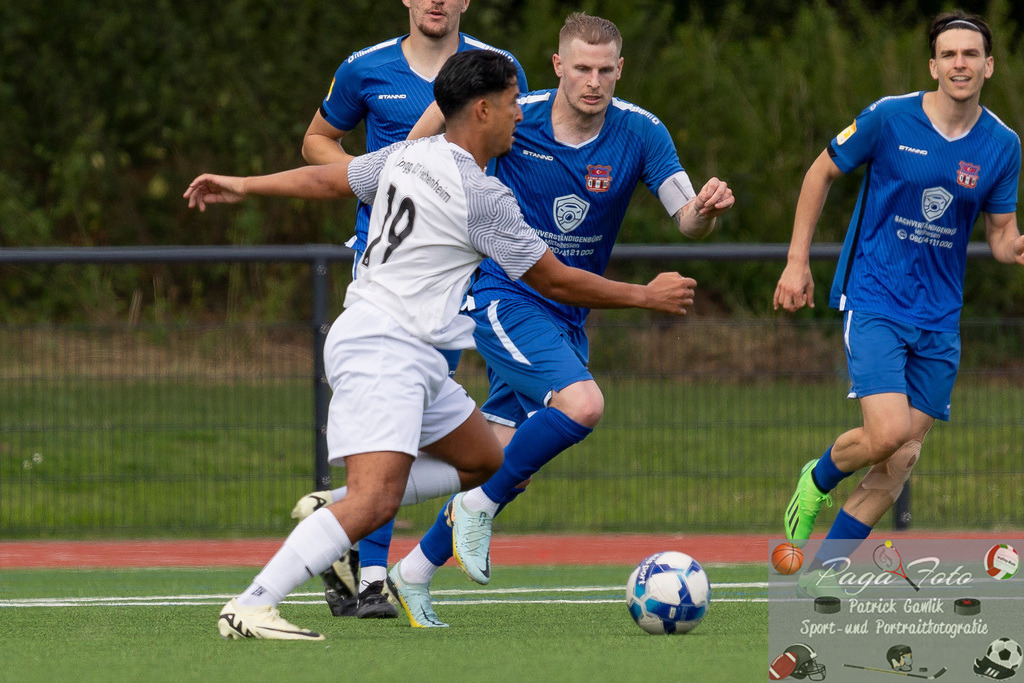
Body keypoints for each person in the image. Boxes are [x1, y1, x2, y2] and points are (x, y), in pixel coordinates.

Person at [185, 49, 700, 640]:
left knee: (487, 461)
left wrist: (245, 184)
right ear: (481, 110)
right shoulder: (483, 197)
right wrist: (645, 295)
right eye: (510, 107)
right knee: (374, 504)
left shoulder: (409, 154)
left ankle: (337, 510)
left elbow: (332, 178)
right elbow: (553, 280)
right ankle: (252, 603)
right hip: (385, 346)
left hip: (412, 353)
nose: (517, 118)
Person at [296, 12, 734, 628]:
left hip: (569, 312)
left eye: (605, 70)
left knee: (505, 461)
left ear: (620, 70)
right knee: (581, 405)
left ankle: (403, 563)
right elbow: (427, 149)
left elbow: (685, 218)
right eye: (581, 68)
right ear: (557, 66)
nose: (593, 81)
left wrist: (705, 212)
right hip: (504, 297)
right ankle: (465, 511)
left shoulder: (641, 132)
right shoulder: (509, 114)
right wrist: (394, 177)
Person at [773, 10, 1024, 593]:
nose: (960, 63)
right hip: (877, 297)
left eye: (971, 55)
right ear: (933, 65)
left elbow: (1002, 235)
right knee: (885, 433)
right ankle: (816, 478)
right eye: (949, 54)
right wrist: (796, 261)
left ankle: (826, 571)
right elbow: (820, 172)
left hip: (940, 316)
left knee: (900, 459)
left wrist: (1016, 247)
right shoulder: (889, 117)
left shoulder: (1003, 145)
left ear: (988, 65)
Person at [299, 0, 528, 619]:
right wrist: (374, 176)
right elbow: (316, 142)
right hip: (383, 266)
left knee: (422, 416)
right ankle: (370, 571)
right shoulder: (363, 69)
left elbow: (505, 157)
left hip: (450, 266)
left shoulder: (495, 69)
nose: (435, 1)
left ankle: (345, 520)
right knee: (391, 418)